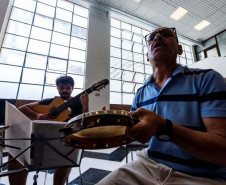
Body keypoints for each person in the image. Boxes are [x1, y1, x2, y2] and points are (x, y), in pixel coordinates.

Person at [97, 27, 226, 185]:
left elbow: (222, 151)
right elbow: (131, 133)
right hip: (148, 166)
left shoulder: (207, 79)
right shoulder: (141, 92)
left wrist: (164, 128)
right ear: (147, 56)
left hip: (202, 176)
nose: (157, 37)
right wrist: (111, 126)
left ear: (179, 49)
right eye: (151, 37)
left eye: (165, 34)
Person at [8, 76, 89, 185]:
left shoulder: (78, 103)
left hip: (63, 142)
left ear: (72, 88)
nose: (64, 90)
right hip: (40, 140)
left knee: (68, 158)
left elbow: (84, 121)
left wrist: (85, 106)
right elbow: (22, 108)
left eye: (68, 87)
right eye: (61, 87)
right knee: (15, 156)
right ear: (57, 88)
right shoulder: (50, 101)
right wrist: (37, 114)